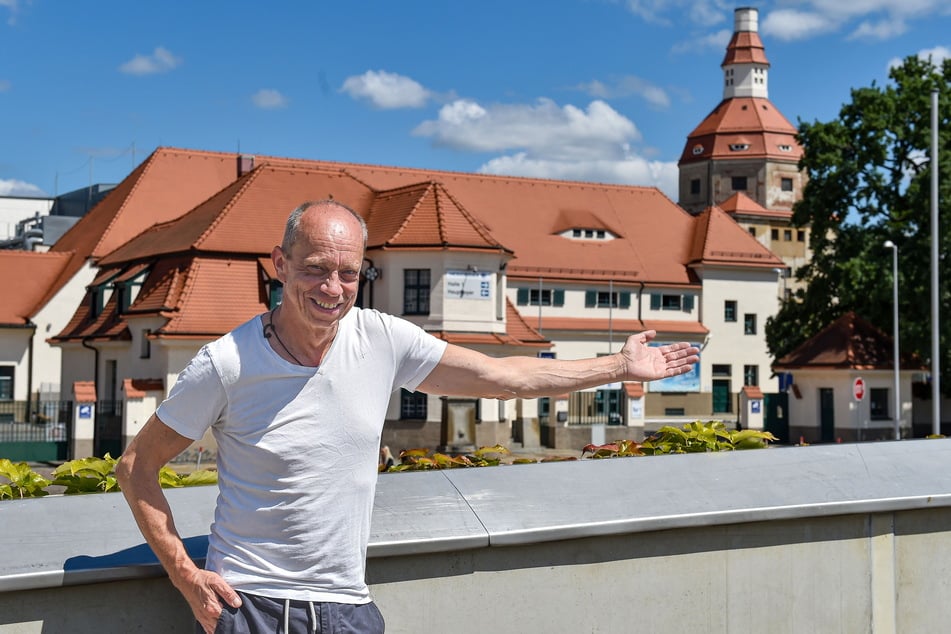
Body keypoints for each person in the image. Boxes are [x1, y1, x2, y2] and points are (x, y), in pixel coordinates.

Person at [116, 199, 699, 633]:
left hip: (348, 608)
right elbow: (136, 466)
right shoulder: (228, 362)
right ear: (280, 265)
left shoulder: (381, 338)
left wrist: (618, 365)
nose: (333, 287)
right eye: (317, 268)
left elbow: (502, 377)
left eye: (350, 273)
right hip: (254, 607)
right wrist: (185, 576)